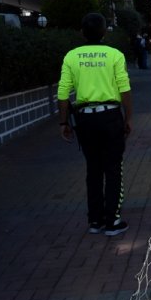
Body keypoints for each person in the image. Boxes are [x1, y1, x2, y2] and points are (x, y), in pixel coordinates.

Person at [57, 13, 133, 236]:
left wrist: (63, 122)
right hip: (110, 117)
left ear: (82, 32)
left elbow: (63, 92)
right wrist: (128, 118)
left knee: (93, 170)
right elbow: (124, 89)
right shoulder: (114, 55)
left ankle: (95, 221)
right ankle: (113, 221)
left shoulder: (71, 56)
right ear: (104, 32)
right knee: (113, 169)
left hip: (85, 119)